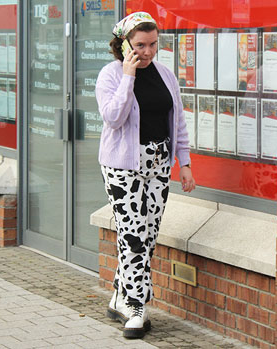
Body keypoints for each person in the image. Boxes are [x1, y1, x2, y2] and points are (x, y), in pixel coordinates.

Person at [95, 11, 196, 339]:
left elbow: (178, 122)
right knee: (134, 235)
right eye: (140, 45)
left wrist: (185, 163)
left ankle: (118, 296)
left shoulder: (166, 75)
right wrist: (128, 76)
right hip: (122, 167)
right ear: (124, 45)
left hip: (157, 165)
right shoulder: (110, 75)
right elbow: (113, 118)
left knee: (145, 237)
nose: (148, 51)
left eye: (153, 44)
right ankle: (136, 307)